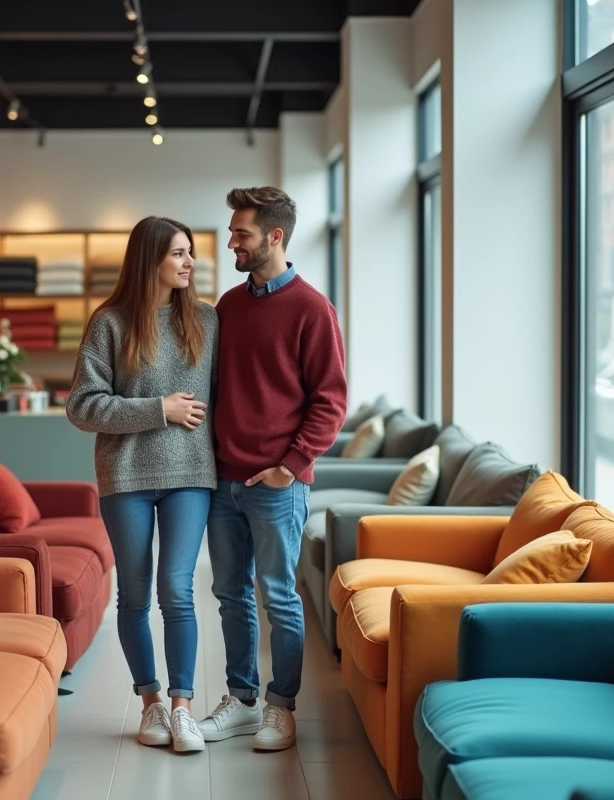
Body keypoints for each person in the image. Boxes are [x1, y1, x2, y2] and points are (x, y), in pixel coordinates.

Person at [198, 187, 348, 750]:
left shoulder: (312, 308)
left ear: (275, 236)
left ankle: (280, 707)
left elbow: (330, 400)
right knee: (230, 594)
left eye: (242, 233)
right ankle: (241, 701)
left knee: (278, 595)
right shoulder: (230, 307)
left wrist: (292, 465)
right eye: (233, 231)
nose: (232, 241)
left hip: (276, 485)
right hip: (223, 482)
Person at [65, 216, 218, 754]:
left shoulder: (207, 321)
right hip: (126, 476)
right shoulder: (108, 323)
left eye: (189, 253)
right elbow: (82, 406)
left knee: (176, 589)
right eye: (178, 253)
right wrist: (161, 409)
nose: (188, 263)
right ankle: (149, 700)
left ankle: (182, 708)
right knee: (133, 594)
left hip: (191, 475)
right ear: (149, 258)